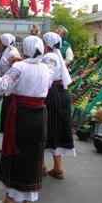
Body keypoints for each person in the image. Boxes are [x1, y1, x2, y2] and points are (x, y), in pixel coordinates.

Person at [0, 36, 55, 203]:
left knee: (14, 154)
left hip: (21, 115)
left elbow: (1, 85)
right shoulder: (47, 69)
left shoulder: (19, 67)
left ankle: (9, 200)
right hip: (40, 116)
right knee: (33, 156)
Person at [41, 32, 75, 179]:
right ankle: (58, 168)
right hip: (62, 95)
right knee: (57, 128)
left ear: (47, 45)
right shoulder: (58, 56)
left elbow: (47, 77)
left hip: (52, 94)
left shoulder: (49, 57)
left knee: (46, 127)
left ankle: (41, 166)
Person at [0, 33, 22, 134]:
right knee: (6, 113)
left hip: (11, 87)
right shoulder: (7, 51)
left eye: (1, 42)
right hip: (7, 86)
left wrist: (15, 60)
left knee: (8, 114)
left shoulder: (12, 52)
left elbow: (16, 65)